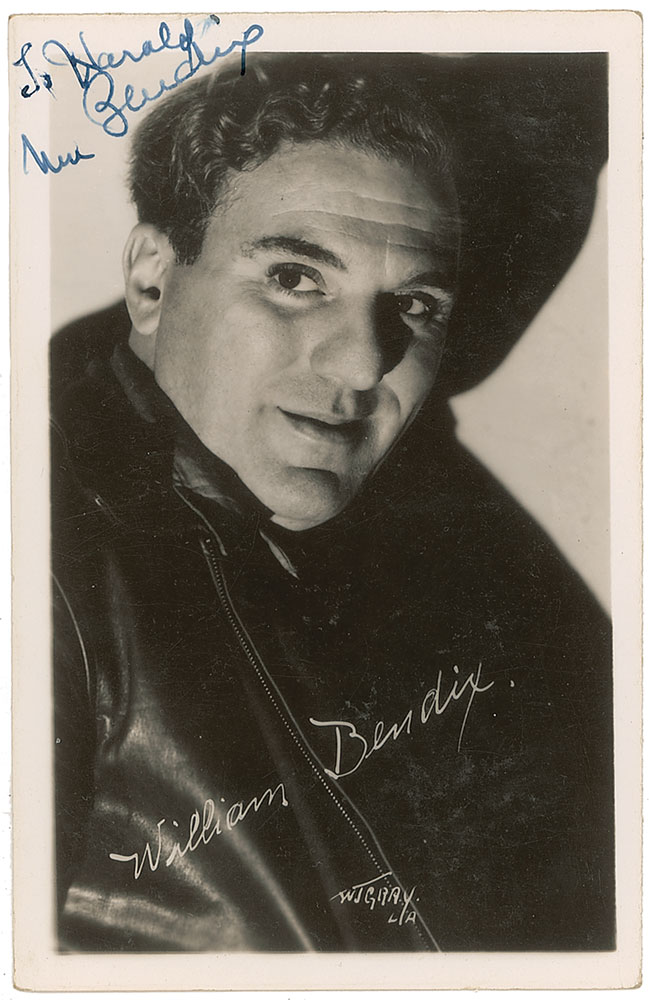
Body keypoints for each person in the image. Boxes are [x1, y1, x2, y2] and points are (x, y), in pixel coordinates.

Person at [50, 53, 614, 953]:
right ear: (152, 281)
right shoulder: (40, 566)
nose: (360, 364)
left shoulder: (440, 524)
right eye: (293, 278)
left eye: (415, 303)